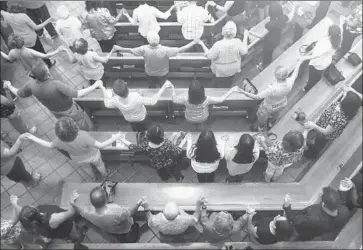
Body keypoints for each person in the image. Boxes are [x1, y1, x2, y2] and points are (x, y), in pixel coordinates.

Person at [3, 63, 98, 131]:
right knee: (80, 120)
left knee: (65, 122)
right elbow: (77, 94)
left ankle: (72, 130)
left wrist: (9, 86)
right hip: (69, 109)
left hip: (54, 111)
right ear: (47, 74)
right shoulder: (56, 85)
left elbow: (19, 93)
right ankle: (88, 132)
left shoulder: (30, 85)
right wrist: (94, 86)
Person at [23, 117, 125, 180]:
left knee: (86, 168)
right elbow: (101, 146)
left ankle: (93, 177)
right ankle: (105, 175)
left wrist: (33, 137)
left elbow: (48, 145)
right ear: (75, 127)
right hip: (93, 155)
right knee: (100, 165)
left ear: (58, 134)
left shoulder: (58, 141)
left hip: (78, 159)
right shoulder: (83, 135)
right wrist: (114, 138)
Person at [113, 31, 198, 88]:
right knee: (163, 86)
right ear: (159, 39)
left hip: (149, 73)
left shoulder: (144, 49)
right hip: (163, 74)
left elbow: (130, 51)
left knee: (152, 87)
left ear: (148, 40)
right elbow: (181, 49)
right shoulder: (165, 50)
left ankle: (153, 93)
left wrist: (119, 48)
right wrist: (193, 42)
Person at [238, 61, 304, 132]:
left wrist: (243, 92)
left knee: (262, 117)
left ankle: (260, 128)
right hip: (282, 103)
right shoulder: (290, 81)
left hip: (269, 106)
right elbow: (295, 74)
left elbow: (257, 97)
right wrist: (299, 62)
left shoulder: (272, 89)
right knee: (275, 114)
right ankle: (270, 124)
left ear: (276, 76)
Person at [70, 188, 141, 243]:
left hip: (111, 230)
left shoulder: (89, 214)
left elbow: (81, 211)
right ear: (106, 199)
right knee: (127, 232)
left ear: (91, 202)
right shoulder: (116, 212)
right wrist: (138, 203)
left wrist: (73, 204)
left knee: (116, 234)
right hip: (125, 229)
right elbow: (130, 212)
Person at [15, 191, 85, 248]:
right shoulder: (52, 219)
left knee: (63, 236)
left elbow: (22, 213)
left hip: (56, 233)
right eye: (31, 206)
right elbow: (71, 212)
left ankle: (68, 239)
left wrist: (15, 204)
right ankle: (78, 239)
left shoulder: (31, 224)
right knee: (75, 235)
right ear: (34, 209)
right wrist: (72, 201)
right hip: (68, 228)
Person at [119, 124, 184, 182]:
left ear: (148, 136)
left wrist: (122, 140)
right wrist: (180, 139)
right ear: (162, 136)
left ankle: (165, 179)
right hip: (169, 162)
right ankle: (173, 175)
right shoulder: (167, 143)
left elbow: (132, 147)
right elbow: (178, 151)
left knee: (162, 174)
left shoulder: (145, 145)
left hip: (157, 164)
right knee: (172, 169)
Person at [100, 79, 172, 132]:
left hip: (129, 119)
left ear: (116, 93)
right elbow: (152, 101)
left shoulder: (115, 100)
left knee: (135, 130)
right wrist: (164, 87)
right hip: (141, 117)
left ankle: (137, 134)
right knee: (146, 127)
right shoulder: (136, 96)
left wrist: (103, 88)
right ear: (127, 87)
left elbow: (107, 104)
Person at [1, 2, 55, 68]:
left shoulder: (6, 16)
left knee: (31, 54)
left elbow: (4, 21)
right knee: (41, 50)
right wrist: (48, 20)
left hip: (21, 40)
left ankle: (38, 67)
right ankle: (49, 64)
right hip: (32, 38)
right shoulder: (23, 16)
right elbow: (37, 27)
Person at [282, 189, 350, 241]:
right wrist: (342, 191)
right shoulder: (345, 211)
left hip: (306, 233)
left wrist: (287, 206)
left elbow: (294, 220)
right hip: (323, 232)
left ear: (323, 204)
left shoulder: (312, 217)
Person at [198, 21, 249, 88]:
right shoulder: (238, 42)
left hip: (220, 73)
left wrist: (201, 44)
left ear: (223, 31)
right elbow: (245, 51)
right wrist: (245, 36)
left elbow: (209, 56)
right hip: (233, 71)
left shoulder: (218, 44)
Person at [171, 80, 240, 124]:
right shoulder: (207, 99)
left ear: (189, 92)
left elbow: (174, 100)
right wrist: (231, 90)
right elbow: (221, 99)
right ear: (202, 91)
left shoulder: (185, 99)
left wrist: (172, 87)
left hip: (189, 118)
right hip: (203, 118)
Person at [301, 25, 342, 92]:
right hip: (325, 62)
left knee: (312, 77)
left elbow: (315, 55)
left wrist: (302, 58)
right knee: (317, 75)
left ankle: (307, 88)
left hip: (318, 63)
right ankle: (312, 84)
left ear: (330, 35)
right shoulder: (338, 40)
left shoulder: (327, 44)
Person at [258, 2, 290, 70]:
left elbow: (261, 35)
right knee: (270, 53)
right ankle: (268, 62)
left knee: (266, 54)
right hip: (276, 40)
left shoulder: (270, 24)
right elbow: (288, 18)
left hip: (268, 42)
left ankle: (263, 66)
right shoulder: (283, 18)